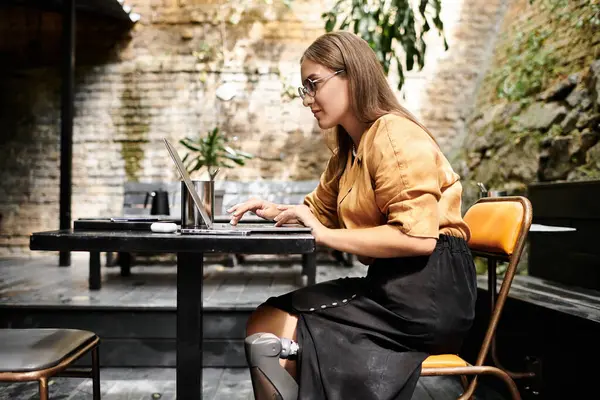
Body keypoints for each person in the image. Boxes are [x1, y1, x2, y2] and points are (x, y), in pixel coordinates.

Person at [227, 31, 477, 400]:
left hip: (429, 293)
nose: (308, 99)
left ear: (352, 75)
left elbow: (419, 238)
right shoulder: (349, 149)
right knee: (267, 321)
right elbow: (320, 209)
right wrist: (278, 210)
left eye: (314, 84)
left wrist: (324, 235)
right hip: (396, 283)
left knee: (273, 327)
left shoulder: (393, 134)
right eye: (304, 89)